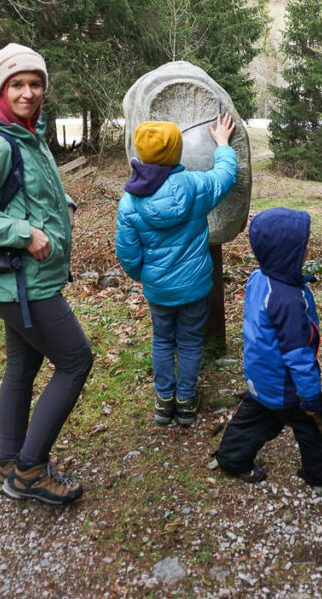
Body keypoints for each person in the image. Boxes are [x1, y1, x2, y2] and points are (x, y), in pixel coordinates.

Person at [0, 43, 93, 506]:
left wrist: (53, 208)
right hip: (22, 284)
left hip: (19, 283)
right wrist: (24, 232)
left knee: (23, 367)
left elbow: (20, 193)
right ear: (1, 89)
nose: (28, 93)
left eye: (35, 83)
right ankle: (29, 471)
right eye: (17, 84)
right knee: (75, 361)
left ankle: (9, 462)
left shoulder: (26, 132)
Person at [215, 206, 322, 485]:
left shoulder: (259, 278)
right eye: (301, 247)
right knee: (317, 427)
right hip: (289, 385)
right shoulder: (288, 299)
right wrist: (310, 395)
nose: (306, 251)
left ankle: (232, 459)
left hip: (261, 376)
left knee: (254, 419)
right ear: (285, 253)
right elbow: (297, 354)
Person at [115, 113, 237, 426]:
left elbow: (127, 255)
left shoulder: (130, 202)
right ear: (176, 153)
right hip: (195, 286)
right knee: (191, 342)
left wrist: (146, 277)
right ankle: (185, 401)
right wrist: (222, 144)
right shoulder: (195, 186)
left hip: (158, 290)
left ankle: (163, 400)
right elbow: (225, 176)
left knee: (162, 341)